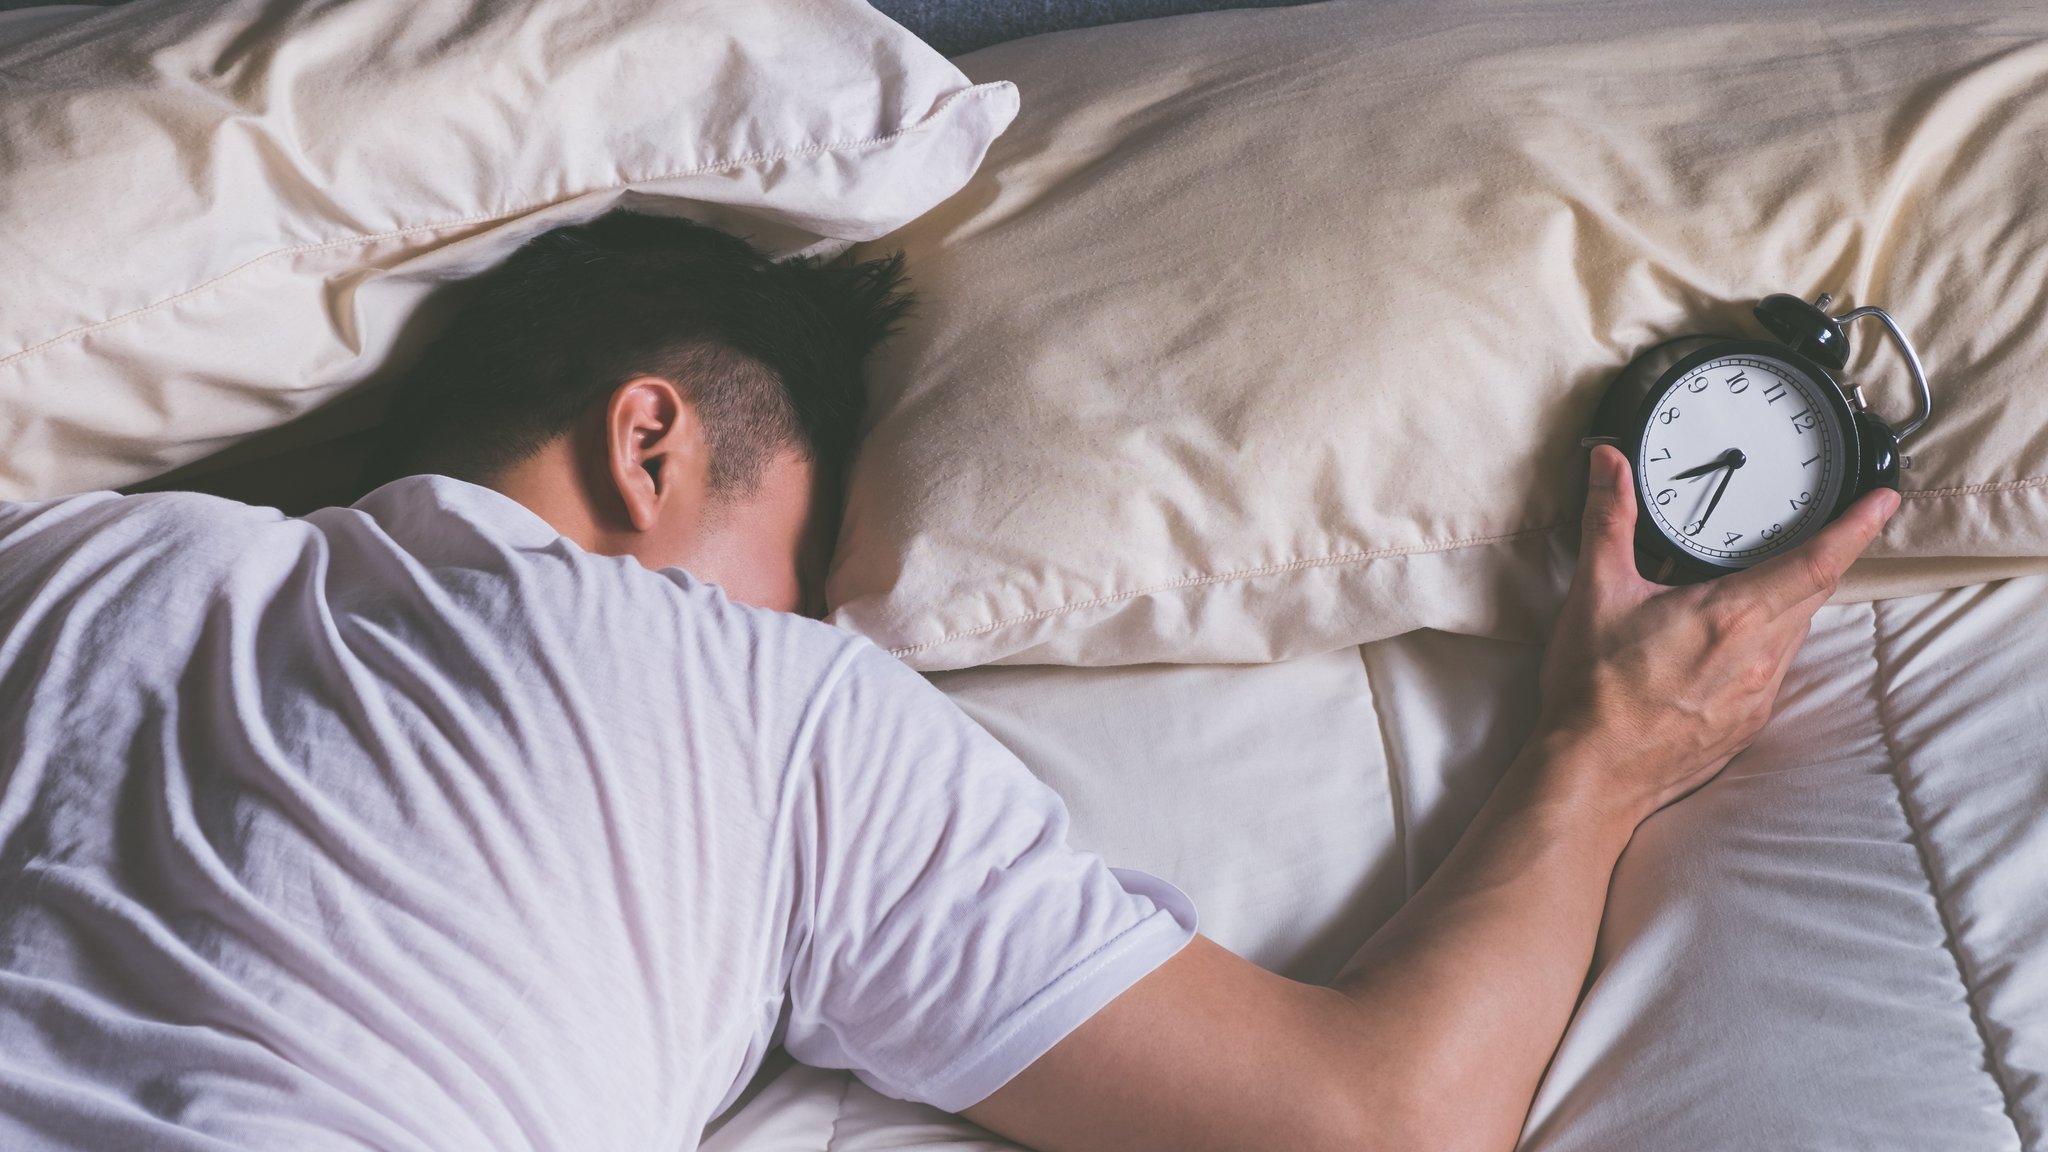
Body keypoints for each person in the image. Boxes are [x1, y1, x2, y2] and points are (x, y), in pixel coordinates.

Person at [0, 212, 1899, 1152]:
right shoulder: (756, 704)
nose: (816, 625)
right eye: (802, 570)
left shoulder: (72, 566)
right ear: (651, 444)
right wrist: (1602, 750)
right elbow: (1375, 1125)